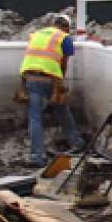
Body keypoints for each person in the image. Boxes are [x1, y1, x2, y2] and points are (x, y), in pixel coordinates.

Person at [19, 14, 83, 167]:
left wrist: (22, 87)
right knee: (62, 109)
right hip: (50, 79)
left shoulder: (36, 35)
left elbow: (29, 59)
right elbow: (63, 65)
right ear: (66, 27)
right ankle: (76, 143)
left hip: (30, 78)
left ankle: (37, 156)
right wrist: (59, 87)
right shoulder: (64, 38)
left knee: (35, 118)